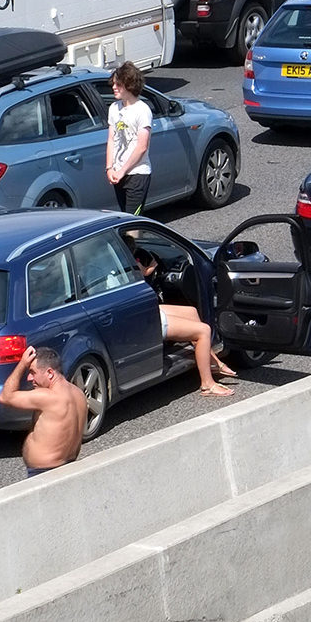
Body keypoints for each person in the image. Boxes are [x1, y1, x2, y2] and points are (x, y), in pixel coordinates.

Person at [132, 247, 235, 397]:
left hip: (145, 311)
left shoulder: (110, 265)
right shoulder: (126, 265)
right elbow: (141, 276)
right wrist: (152, 267)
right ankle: (207, 384)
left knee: (191, 312)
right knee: (203, 330)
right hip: (144, 318)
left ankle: (213, 361)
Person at [0, 346, 87, 477]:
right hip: (69, 467)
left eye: (32, 372)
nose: (29, 378)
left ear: (50, 373)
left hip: (44, 473)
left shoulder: (48, 397)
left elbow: (5, 397)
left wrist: (22, 364)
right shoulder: (78, 394)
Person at [105, 61, 153, 215]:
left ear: (129, 84)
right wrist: (110, 168)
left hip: (137, 174)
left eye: (118, 84)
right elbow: (111, 140)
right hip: (119, 173)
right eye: (113, 84)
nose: (114, 87)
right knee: (125, 217)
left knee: (133, 221)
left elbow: (142, 146)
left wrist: (122, 171)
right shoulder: (114, 108)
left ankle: (134, 240)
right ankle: (130, 240)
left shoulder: (142, 110)